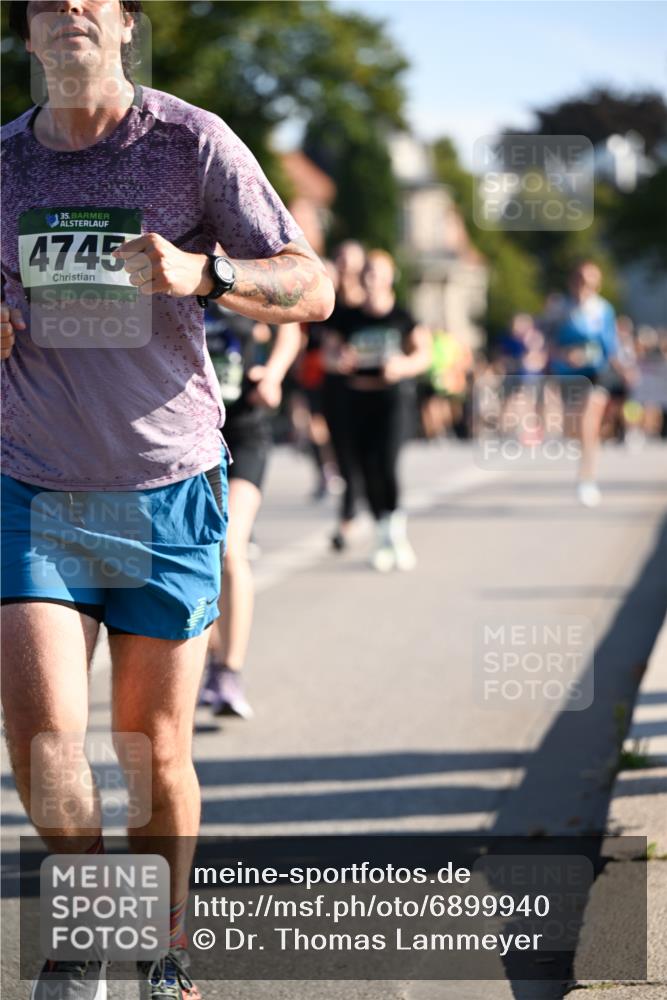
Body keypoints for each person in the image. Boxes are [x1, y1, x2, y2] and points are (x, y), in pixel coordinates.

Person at [0, 3, 334, 999]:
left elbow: (311, 285)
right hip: (34, 485)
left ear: (126, 27)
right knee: (47, 740)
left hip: (167, 487)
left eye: (88, 2)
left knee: (153, 752)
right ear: (25, 39)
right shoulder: (5, 162)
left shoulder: (190, 142)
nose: (67, 16)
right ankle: (87, 932)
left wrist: (206, 271)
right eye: (46, 6)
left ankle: (165, 944)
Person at [199, 306, 301, 719]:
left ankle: (228, 673)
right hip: (189, 437)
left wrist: (273, 374)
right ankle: (211, 657)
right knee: (197, 554)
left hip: (244, 431)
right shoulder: (168, 267)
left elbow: (291, 326)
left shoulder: (242, 269)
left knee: (228, 545)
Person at [332, 250, 431, 571]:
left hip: (392, 401)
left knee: (386, 463)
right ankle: (382, 535)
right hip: (357, 399)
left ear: (390, 279)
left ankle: (396, 534)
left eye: (378, 273)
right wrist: (339, 361)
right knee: (364, 469)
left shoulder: (402, 317)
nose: (371, 279)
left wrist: (402, 366)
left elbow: (424, 354)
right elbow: (327, 355)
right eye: (367, 273)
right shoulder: (348, 317)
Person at [546, 261, 620, 507]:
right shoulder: (559, 309)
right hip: (567, 375)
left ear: (597, 284)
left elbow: (610, 347)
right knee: (573, 428)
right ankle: (586, 462)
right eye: (579, 280)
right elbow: (547, 343)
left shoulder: (603, 309)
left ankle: (586, 478)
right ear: (572, 281)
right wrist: (564, 355)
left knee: (589, 423)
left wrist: (624, 370)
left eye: (589, 281)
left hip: (596, 373)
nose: (583, 286)